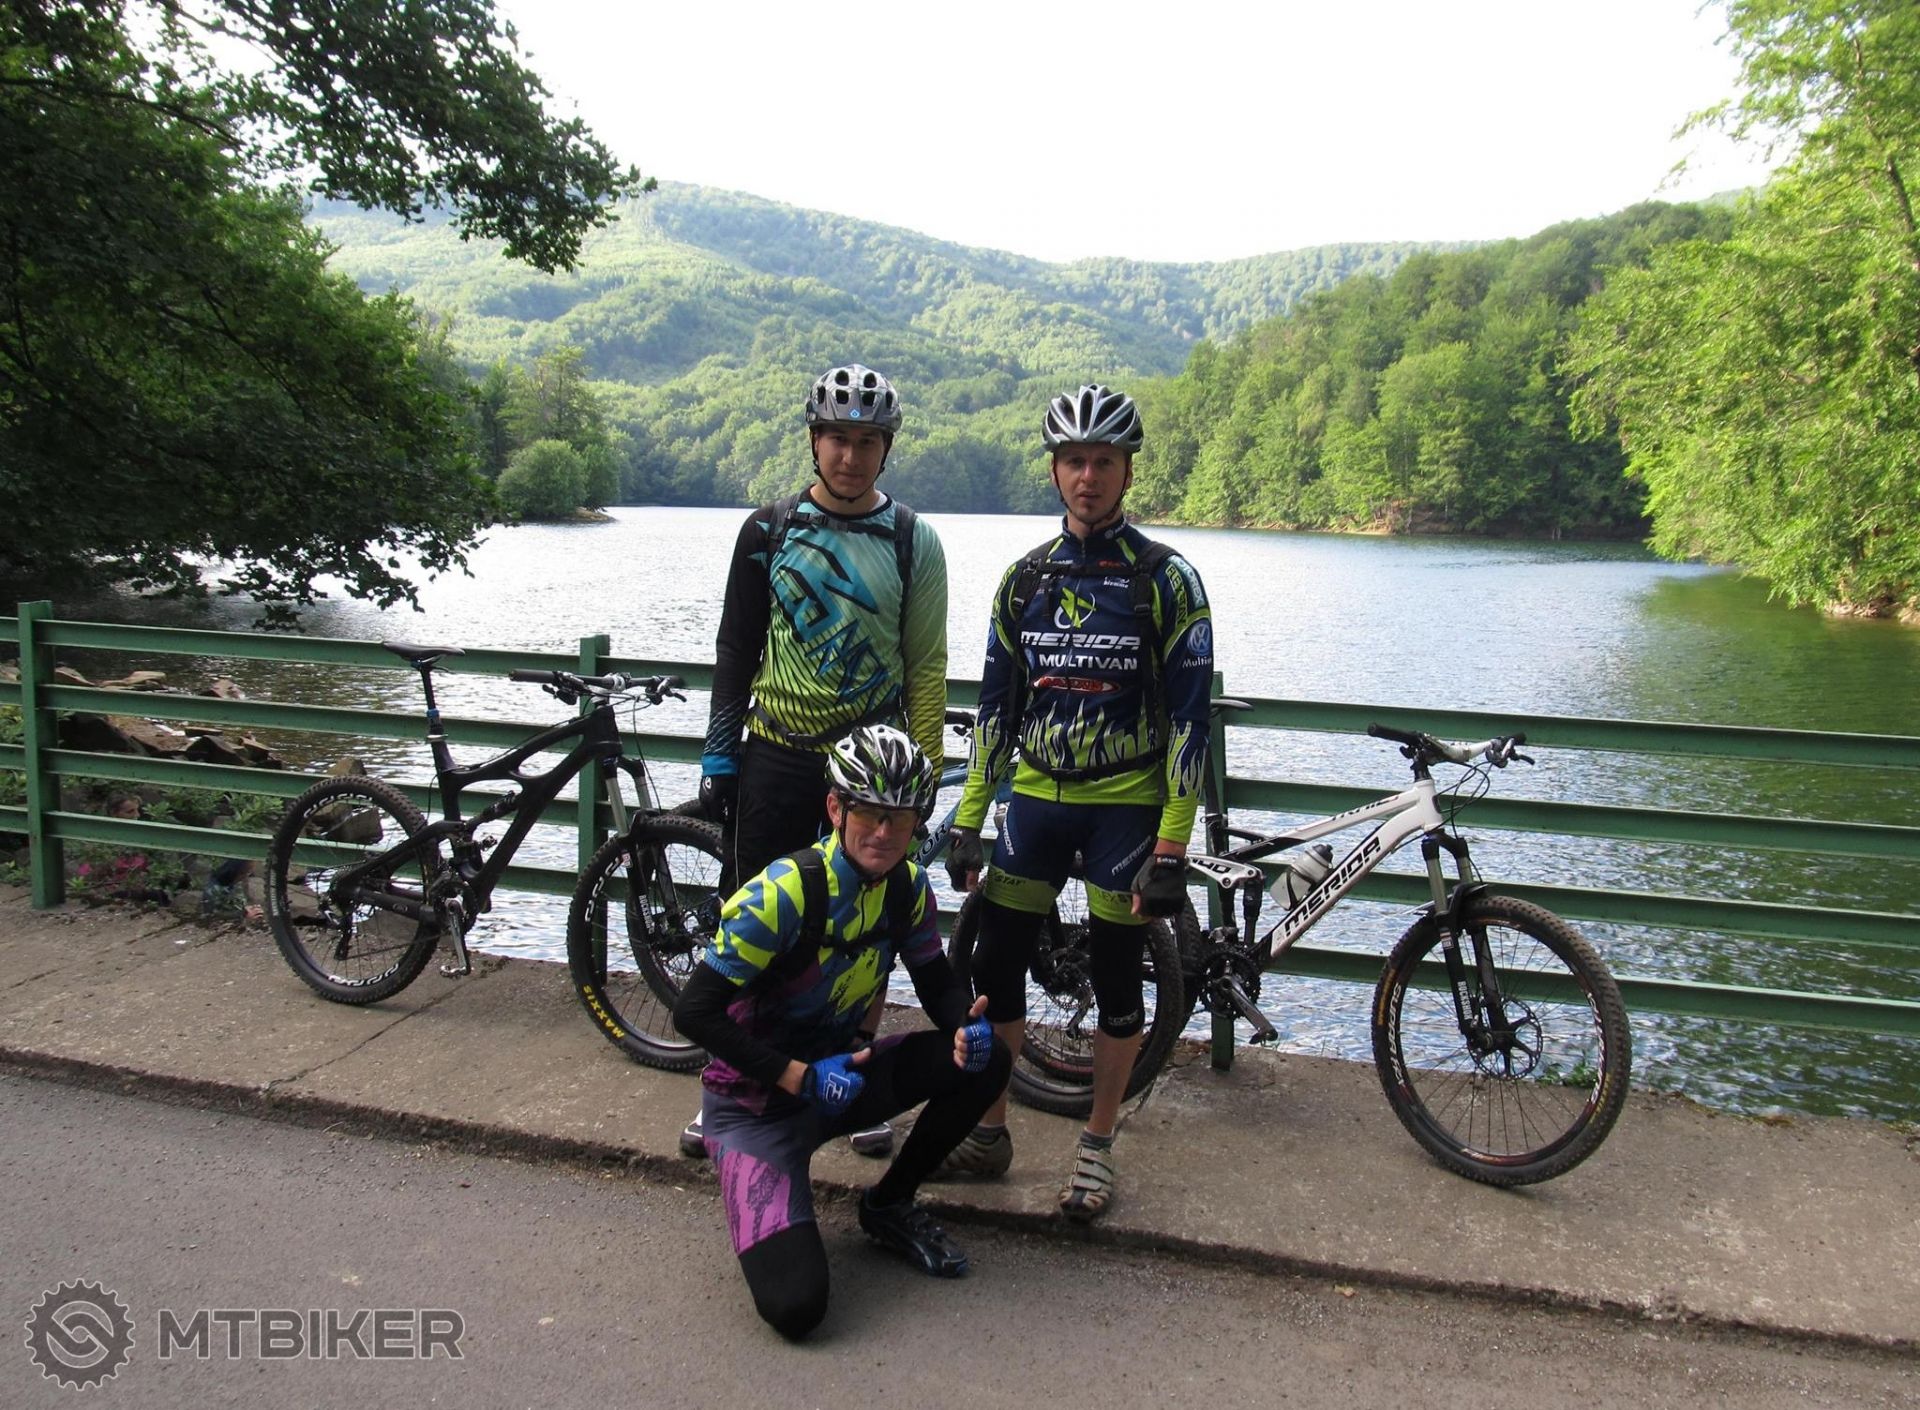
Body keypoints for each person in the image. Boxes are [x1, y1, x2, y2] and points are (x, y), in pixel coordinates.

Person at [940, 384, 1213, 1222]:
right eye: (1072, 461)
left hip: (1126, 809)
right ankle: (989, 1132)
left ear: (1127, 470)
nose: (1087, 476)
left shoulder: (1166, 579)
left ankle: (1097, 1145)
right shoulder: (1024, 580)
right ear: (1054, 470)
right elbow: (995, 710)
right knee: (995, 968)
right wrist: (969, 818)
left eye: (1102, 461)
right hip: (1034, 802)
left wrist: (1172, 846)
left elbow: (1191, 720)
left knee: (1116, 979)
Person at [688, 362, 950, 1160]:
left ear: (886, 449)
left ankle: (853, 1083)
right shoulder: (767, 530)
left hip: (869, 774)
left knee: (867, 931)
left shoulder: (912, 540)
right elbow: (736, 648)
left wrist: (922, 781)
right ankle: (730, 1089)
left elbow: (925, 668)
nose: (850, 455)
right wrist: (719, 755)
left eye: (867, 441)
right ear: (814, 440)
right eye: (837, 437)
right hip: (778, 755)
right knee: (752, 923)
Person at [671, 724, 1009, 1340]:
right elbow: (693, 1013)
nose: (884, 833)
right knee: (797, 1309)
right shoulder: (781, 894)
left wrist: (965, 1023)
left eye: (900, 818)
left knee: (986, 1061)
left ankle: (889, 1203)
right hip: (755, 1108)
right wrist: (797, 1077)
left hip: (843, 1081)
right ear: (835, 808)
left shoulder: (907, 887)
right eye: (870, 813)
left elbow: (934, 980)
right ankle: (779, 1182)